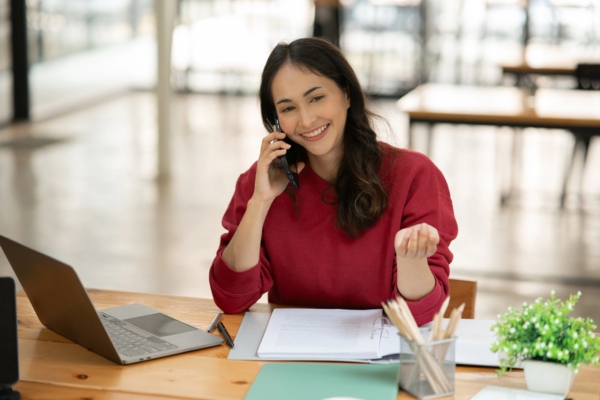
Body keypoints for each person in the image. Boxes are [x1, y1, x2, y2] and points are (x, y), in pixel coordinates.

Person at [209, 37, 458, 326]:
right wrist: (260, 202)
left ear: (347, 94)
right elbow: (231, 298)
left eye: (316, 98)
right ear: (275, 122)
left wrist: (411, 259)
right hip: (291, 361)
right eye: (288, 108)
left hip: (379, 360)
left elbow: (420, 316)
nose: (306, 119)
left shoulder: (414, 175)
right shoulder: (262, 182)